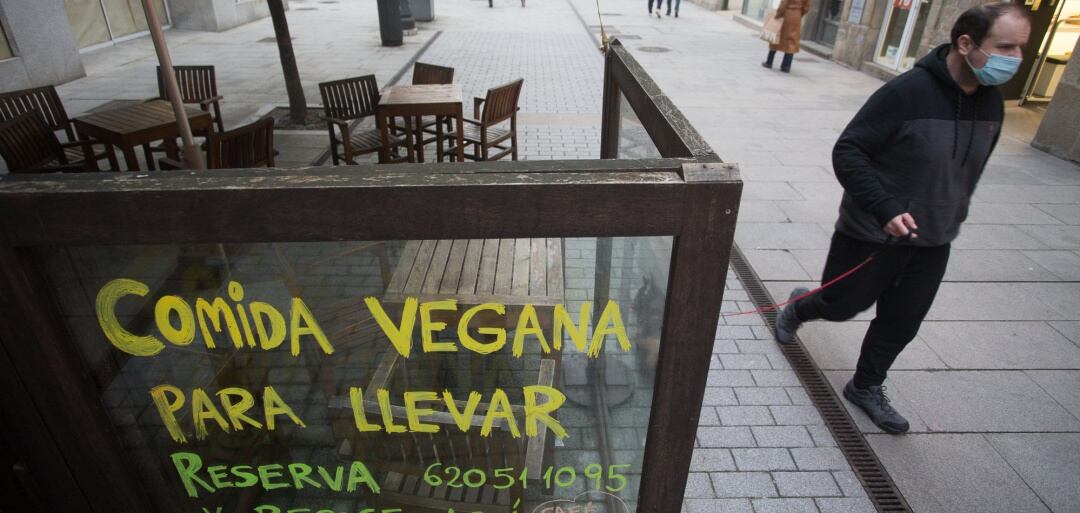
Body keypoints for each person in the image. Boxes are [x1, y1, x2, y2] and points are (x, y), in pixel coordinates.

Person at [773, 3, 1031, 434]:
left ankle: (866, 385)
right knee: (843, 305)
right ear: (965, 43)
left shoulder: (992, 104)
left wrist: (951, 212)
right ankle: (800, 306)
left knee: (903, 320)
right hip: (872, 234)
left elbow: (970, 169)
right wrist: (886, 207)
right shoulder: (907, 92)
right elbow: (848, 151)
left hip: (933, 239)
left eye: (1022, 47)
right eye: (1005, 46)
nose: (1016, 59)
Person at [762, 0, 810, 72]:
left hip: (786, 14)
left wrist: (778, 14)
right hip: (796, 16)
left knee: (777, 36)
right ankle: (786, 66)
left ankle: (769, 62)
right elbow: (806, 7)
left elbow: (784, 3)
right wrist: (799, 13)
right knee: (791, 40)